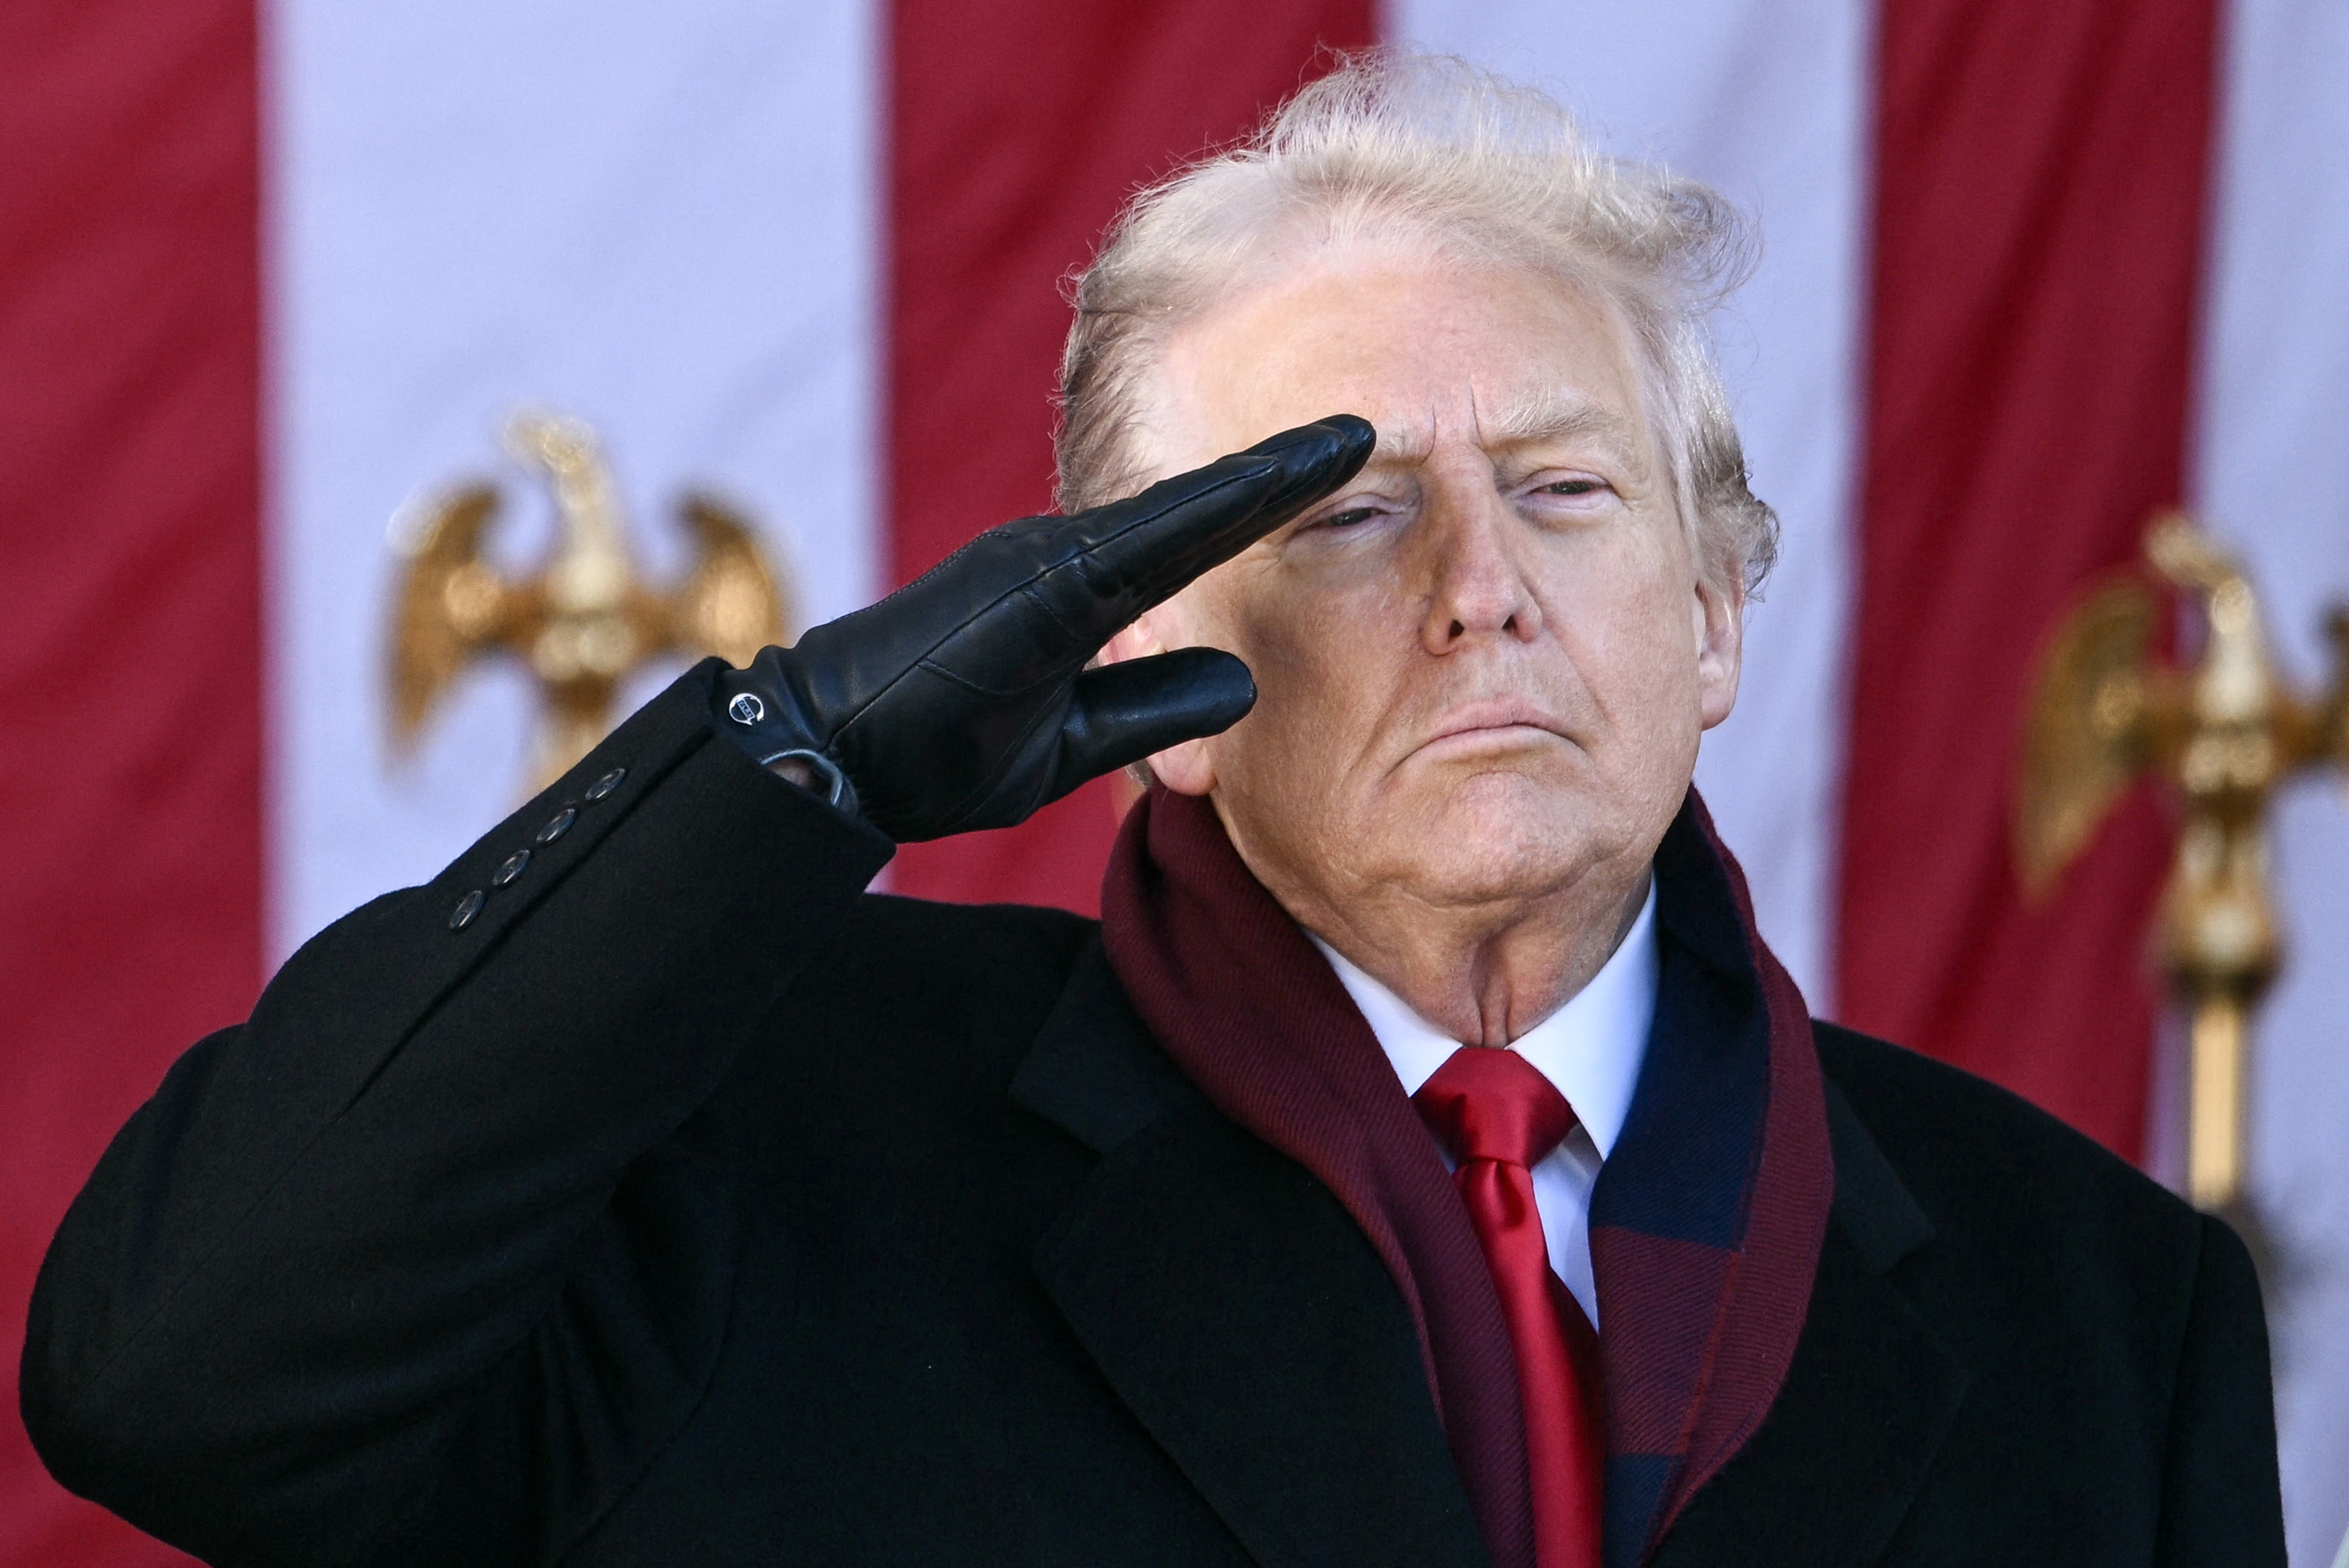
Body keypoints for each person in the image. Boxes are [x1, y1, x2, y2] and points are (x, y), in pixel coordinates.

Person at [24, 55, 2281, 1568]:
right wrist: (774, 772)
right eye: (1344, 512)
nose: (1482, 593)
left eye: (1566, 493)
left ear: (1709, 618)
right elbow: (178, 1387)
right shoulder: (744, 1141)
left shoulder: (2099, 1301)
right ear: (1138, 673)